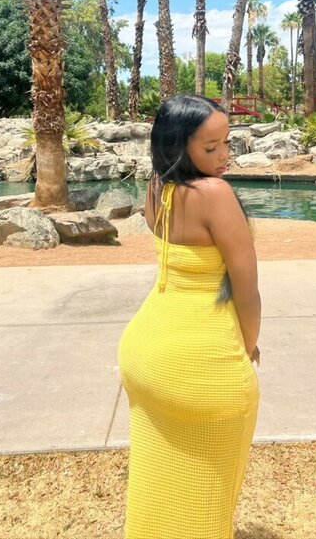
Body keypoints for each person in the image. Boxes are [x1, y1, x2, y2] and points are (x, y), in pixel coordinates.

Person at [118, 93, 261, 539]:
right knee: (208, 498)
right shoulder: (214, 194)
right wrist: (248, 345)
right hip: (198, 362)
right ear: (178, 146)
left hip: (144, 348)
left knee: (159, 477)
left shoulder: (156, 187)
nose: (224, 156)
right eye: (211, 147)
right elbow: (247, 290)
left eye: (227, 142)